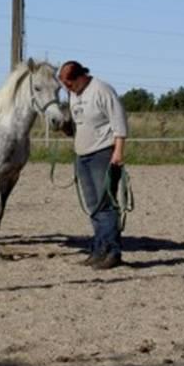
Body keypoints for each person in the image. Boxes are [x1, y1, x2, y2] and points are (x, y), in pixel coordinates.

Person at [59, 61, 128, 270]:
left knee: (104, 204)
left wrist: (118, 151)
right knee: (93, 206)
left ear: (81, 77)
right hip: (82, 155)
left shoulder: (102, 90)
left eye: (69, 84)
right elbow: (79, 124)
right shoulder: (74, 94)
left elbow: (120, 123)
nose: (67, 89)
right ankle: (98, 250)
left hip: (102, 153)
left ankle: (112, 251)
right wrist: (65, 127)